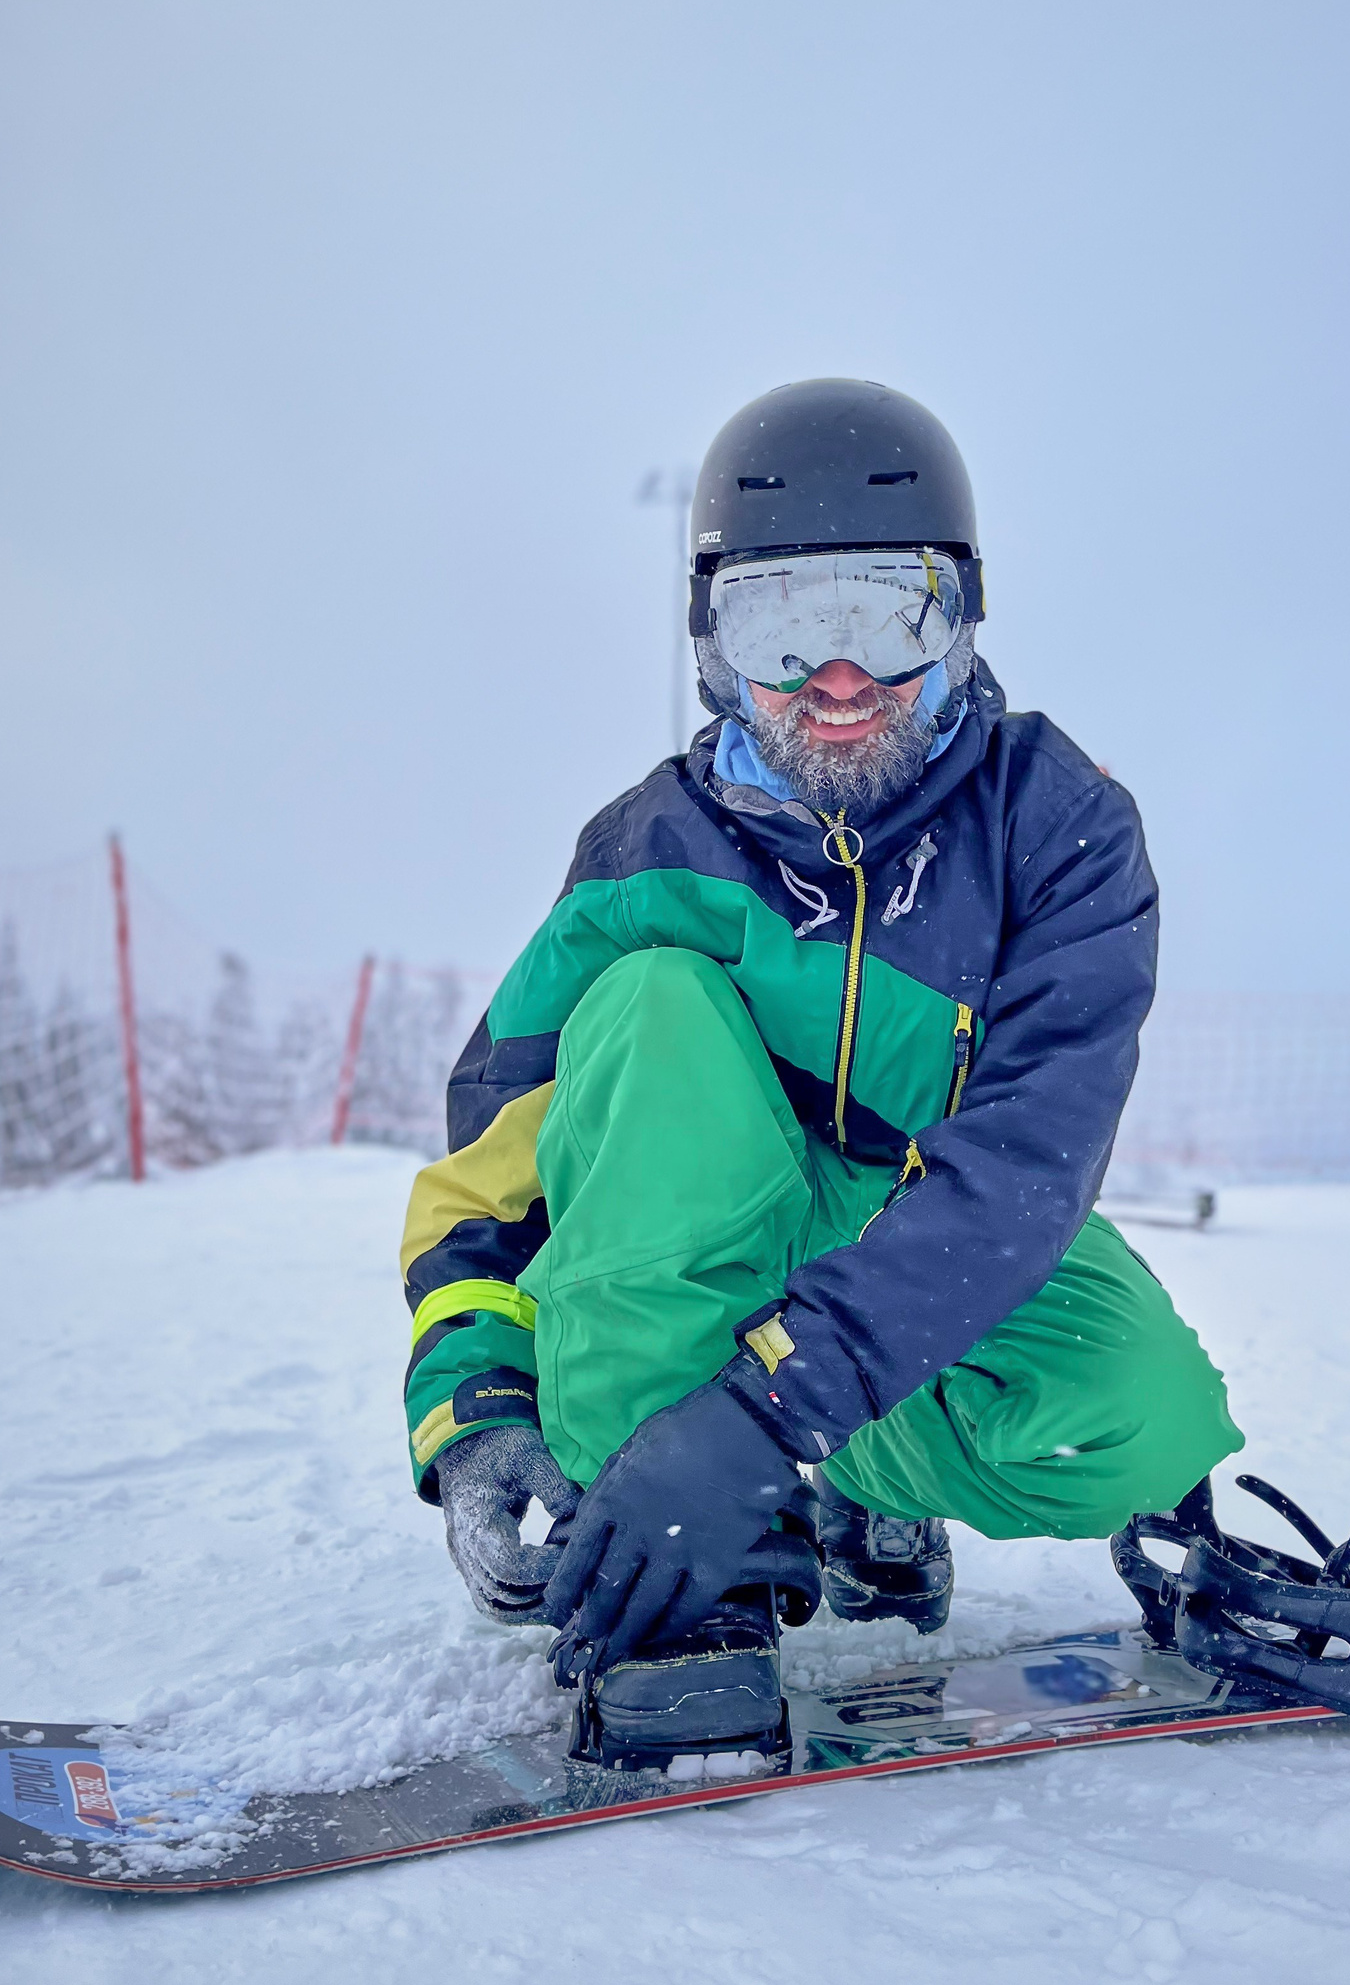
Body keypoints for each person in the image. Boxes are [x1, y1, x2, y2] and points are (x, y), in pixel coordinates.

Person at [397, 377, 1245, 1766]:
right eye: (782, 626)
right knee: (654, 1003)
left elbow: (1026, 1170)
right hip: (695, 1218)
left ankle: (844, 1479)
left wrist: (766, 1415)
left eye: (887, 618)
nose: (837, 679)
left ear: (962, 616)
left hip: (913, 1237)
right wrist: (473, 1405)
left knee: (1138, 1425)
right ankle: (681, 1578)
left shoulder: (1058, 827)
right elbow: (496, 1169)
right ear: (712, 637)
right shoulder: (645, 853)